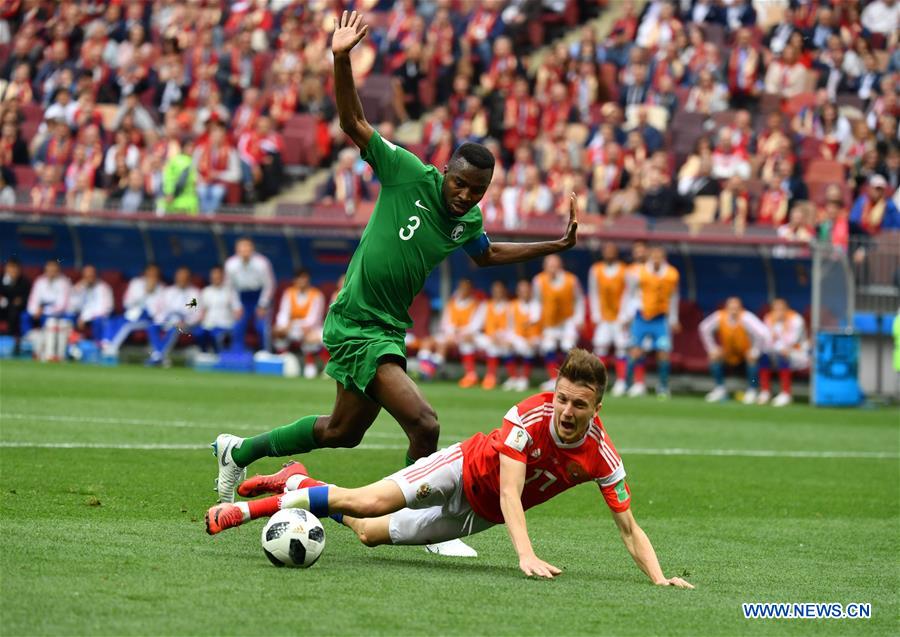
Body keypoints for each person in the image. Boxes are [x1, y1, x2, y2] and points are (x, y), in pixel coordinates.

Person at [211, 10, 578, 559]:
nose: (464, 196)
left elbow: (486, 254)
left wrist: (553, 245)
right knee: (425, 424)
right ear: (446, 170)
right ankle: (415, 526)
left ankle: (239, 451)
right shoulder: (406, 170)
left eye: (477, 191)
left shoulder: (467, 221)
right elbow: (353, 122)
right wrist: (340, 57)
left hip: (387, 327)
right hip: (358, 320)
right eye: (460, 184)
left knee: (341, 432)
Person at [206, 349, 693, 589]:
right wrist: (525, 554)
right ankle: (249, 512)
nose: (566, 411)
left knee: (368, 532)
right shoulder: (527, 416)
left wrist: (659, 579)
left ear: (597, 406)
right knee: (367, 499)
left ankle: (297, 479)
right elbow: (511, 493)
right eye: (562, 397)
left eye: (579, 404)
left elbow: (629, 528)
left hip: (475, 516)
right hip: (459, 469)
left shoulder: (603, 457)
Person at [623, 245, 680, 399]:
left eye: (659, 257)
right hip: (641, 317)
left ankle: (662, 386)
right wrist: (627, 316)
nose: (656, 260)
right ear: (649, 258)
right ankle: (626, 384)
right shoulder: (638, 273)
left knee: (663, 352)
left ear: (663, 258)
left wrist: (674, 318)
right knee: (634, 352)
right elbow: (630, 294)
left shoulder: (671, 274)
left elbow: (673, 297)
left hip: (660, 318)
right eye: (653, 256)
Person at [698, 297, 770, 404]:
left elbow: (762, 334)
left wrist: (755, 350)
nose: (734, 311)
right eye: (731, 308)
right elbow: (703, 328)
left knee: (752, 360)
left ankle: (752, 389)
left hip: (744, 354)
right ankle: (720, 389)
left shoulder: (747, 318)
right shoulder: (719, 316)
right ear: (726, 308)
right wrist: (712, 348)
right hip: (729, 354)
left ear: (741, 308)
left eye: (736, 308)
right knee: (714, 357)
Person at [415, 278, 484, 385]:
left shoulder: (476, 304)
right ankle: (425, 369)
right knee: (427, 341)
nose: (462, 290)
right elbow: (445, 322)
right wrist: (451, 331)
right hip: (449, 334)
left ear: (471, 290)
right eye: (461, 287)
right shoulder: (452, 303)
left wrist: (458, 332)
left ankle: (429, 372)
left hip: (464, 336)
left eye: (465, 288)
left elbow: (475, 325)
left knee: (442, 345)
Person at [533, 254, 585, 391]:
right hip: (550, 322)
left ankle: (570, 379)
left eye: (554, 265)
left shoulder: (571, 280)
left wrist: (579, 319)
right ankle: (553, 378)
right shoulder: (539, 280)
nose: (552, 268)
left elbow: (579, 299)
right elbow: (537, 301)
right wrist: (534, 317)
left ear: (560, 265)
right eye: (549, 265)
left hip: (568, 320)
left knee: (568, 346)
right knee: (547, 346)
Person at [588, 242, 629, 397]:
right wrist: (595, 314)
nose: (609, 253)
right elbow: (593, 292)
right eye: (607, 250)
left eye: (612, 250)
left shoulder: (625, 270)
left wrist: (625, 315)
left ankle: (621, 382)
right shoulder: (596, 269)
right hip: (603, 317)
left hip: (620, 317)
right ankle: (599, 382)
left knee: (622, 347)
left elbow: (628, 293)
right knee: (600, 347)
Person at [224, 237, 275, 353]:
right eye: (241, 248)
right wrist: (236, 306)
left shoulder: (262, 262)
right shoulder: (230, 264)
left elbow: (269, 285)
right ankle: (237, 353)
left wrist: (263, 305)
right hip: (242, 297)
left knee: (261, 326)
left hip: (259, 296)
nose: (245, 251)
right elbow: (230, 287)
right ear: (237, 250)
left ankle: (265, 352)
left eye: (247, 247)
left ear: (252, 249)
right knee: (238, 325)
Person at [273, 269, 327, 379]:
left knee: (314, 337)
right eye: (299, 278)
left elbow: (313, 318)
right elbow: (283, 312)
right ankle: (283, 361)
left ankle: (310, 365)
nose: (301, 281)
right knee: (278, 333)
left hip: (310, 328)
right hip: (292, 328)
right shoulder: (289, 293)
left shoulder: (316, 295)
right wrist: (283, 326)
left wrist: (295, 324)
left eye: (304, 278)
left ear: (308, 280)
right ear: (295, 280)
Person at [758, 299, 809, 407]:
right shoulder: (768, 318)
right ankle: (765, 392)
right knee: (764, 356)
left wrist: (774, 337)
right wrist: (773, 337)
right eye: (775, 309)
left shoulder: (796, 319)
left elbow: (791, 342)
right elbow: (766, 340)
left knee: (783, 356)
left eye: (781, 309)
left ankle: (786, 394)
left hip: (798, 354)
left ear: (787, 309)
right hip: (777, 352)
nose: (778, 312)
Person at [105, 264, 164, 356]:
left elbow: (158, 310)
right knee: (113, 321)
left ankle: (112, 350)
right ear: (145, 273)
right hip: (132, 315)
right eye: (150, 273)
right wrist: (146, 292)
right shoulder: (135, 283)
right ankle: (105, 345)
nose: (152, 275)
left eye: (155, 274)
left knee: (126, 325)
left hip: (149, 319)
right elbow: (127, 303)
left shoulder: (162, 288)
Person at [147, 266, 201, 366]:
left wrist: (186, 322)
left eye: (184, 277)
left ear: (188, 278)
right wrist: (161, 321)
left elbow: (197, 314)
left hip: (184, 325)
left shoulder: (194, 293)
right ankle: (159, 356)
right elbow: (160, 310)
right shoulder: (168, 291)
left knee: (176, 328)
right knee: (152, 326)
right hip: (167, 322)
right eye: (180, 277)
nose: (181, 279)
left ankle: (158, 356)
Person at [23, 260, 72, 362]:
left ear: (58, 271)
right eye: (49, 270)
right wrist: (35, 310)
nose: (51, 272)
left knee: (52, 321)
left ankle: (51, 352)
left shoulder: (64, 283)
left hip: (58, 314)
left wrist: (44, 310)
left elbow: (61, 305)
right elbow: (33, 300)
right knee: (25, 316)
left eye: (54, 270)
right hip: (40, 312)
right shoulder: (40, 281)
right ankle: (30, 342)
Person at [474, 280, 513, 390]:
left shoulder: (510, 306)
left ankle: (508, 377)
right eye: (495, 290)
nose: (497, 292)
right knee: (470, 342)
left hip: (504, 338)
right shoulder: (486, 305)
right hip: (488, 337)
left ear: (505, 291)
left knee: (504, 346)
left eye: (500, 290)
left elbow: (513, 327)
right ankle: (472, 375)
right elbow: (476, 324)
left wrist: (502, 337)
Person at [503, 279, 540, 391]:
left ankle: (524, 379)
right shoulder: (512, 306)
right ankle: (513, 378)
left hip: (535, 338)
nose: (524, 293)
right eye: (521, 290)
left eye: (527, 290)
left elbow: (537, 323)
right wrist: (509, 339)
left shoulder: (537, 305)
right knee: (508, 346)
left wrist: (532, 339)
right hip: (518, 337)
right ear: (518, 292)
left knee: (529, 348)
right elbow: (509, 327)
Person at [196, 265, 242, 353]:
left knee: (217, 336)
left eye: (218, 275)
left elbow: (238, 311)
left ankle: (220, 354)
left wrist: (236, 325)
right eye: (214, 275)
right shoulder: (206, 291)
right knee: (199, 333)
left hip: (225, 326)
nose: (216, 277)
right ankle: (204, 354)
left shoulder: (230, 291)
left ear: (223, 276)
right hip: (208, 326)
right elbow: (202, 311)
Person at [69, 265, 114, 343]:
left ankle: (98, 345)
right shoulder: (80, 287)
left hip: (98, 317)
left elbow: (105, 309)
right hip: (82, 316)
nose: (89, 279)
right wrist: (77, 290)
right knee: (68, 317)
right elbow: (73, 306)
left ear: (96, 275)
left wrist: (85, 317)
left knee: (98, 320)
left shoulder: (104, 288)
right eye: (87, 276)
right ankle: (72, 345)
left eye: (91, 276)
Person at [0, 258, 31, 345]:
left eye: (15, 268)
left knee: (14, 311)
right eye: (10, 268)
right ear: (6, 269)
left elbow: (25, 298)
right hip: (2, 308)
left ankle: (11, 337)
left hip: (16, 309)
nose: (13, 271)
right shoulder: (1, 280)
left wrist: (19, 300)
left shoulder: (25, 282)